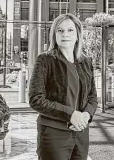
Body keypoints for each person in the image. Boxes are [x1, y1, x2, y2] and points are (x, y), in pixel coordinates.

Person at [29, 13, 98, 160]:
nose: (65, 34)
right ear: (54, 35)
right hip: (53, 134)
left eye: (70, 30)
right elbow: (36, 99)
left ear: (78, 34)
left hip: (81, 132)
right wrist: (71, 115)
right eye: (60, 30)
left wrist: (85, 116)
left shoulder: (86, 61)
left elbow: (92, 96)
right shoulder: (45, 60)